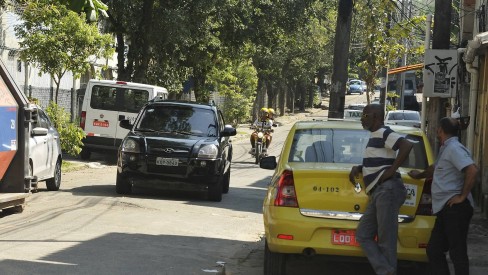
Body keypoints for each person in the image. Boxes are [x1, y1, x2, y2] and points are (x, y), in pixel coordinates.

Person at [408, 117, 478, 275]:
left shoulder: (454, 148)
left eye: (438, 130)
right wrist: (420, 176)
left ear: (440, 130)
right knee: (434, 250)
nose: (437, 133)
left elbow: (472, 170)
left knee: (457, 252)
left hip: (455, 208)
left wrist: (462, 196)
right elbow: (435, 167)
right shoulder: (446, 148)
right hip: (445, 209)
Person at [349, 104, 413, 275]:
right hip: (378, 192)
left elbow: (406, 145)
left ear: (376, 116)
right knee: (363, 234)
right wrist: (361, 168)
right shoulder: (375, 136)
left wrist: (392, 170)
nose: (363, 119)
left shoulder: (385, 132)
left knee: (386, 241)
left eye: (365, 115)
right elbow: (379, 162)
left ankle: (387, 271)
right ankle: (386, 271)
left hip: (387, 191)